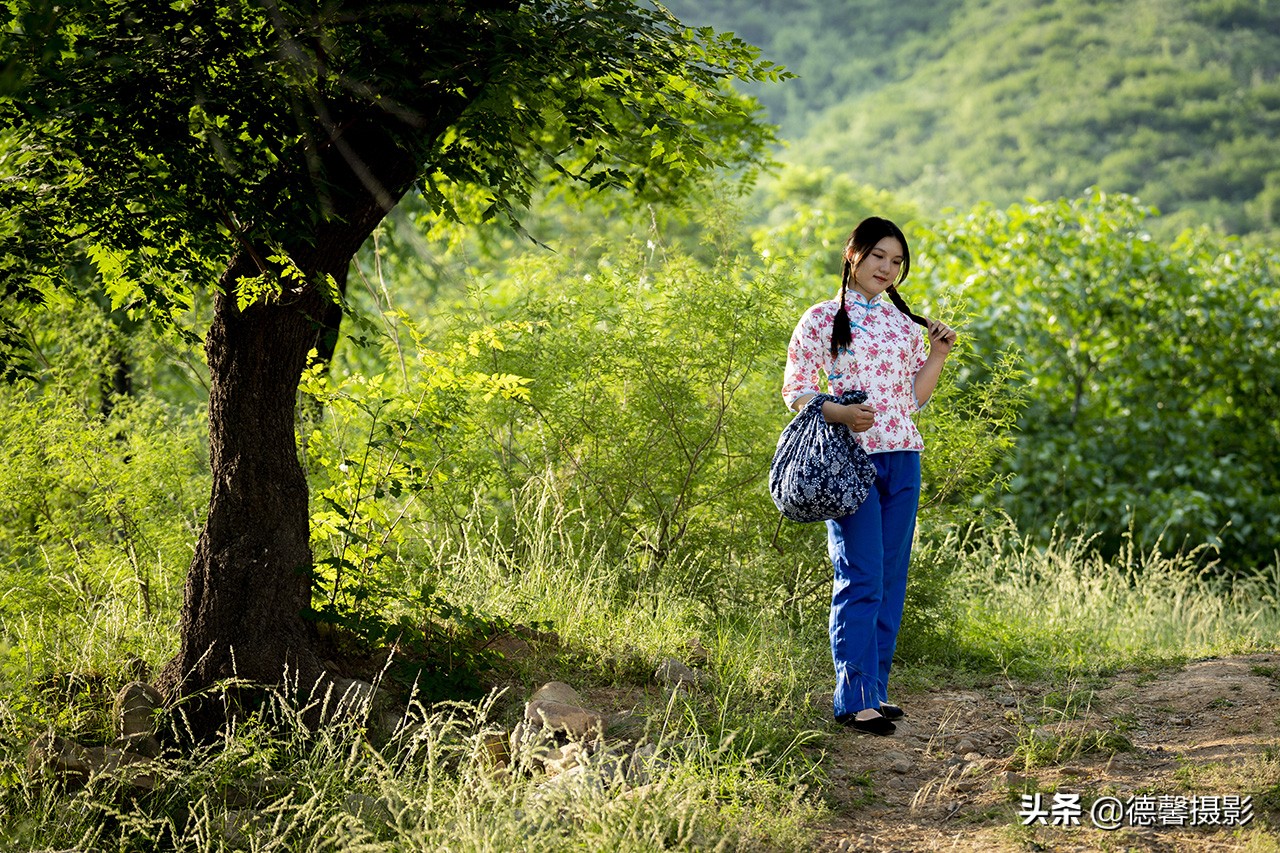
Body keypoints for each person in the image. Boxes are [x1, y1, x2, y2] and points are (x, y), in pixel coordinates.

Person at [781, 216, 956, 736]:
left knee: (890, 576)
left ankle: (875, 692)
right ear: (853, 254)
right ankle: (852, 698)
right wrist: (838, 413)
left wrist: (939, 354)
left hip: (904, 457)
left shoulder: (905, 327)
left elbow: (913, 400)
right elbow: (795, 390)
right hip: (848, 460)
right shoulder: (820, 318)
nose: (888, 268)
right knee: (859, 575)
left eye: (897, 261)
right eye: (879, 255)